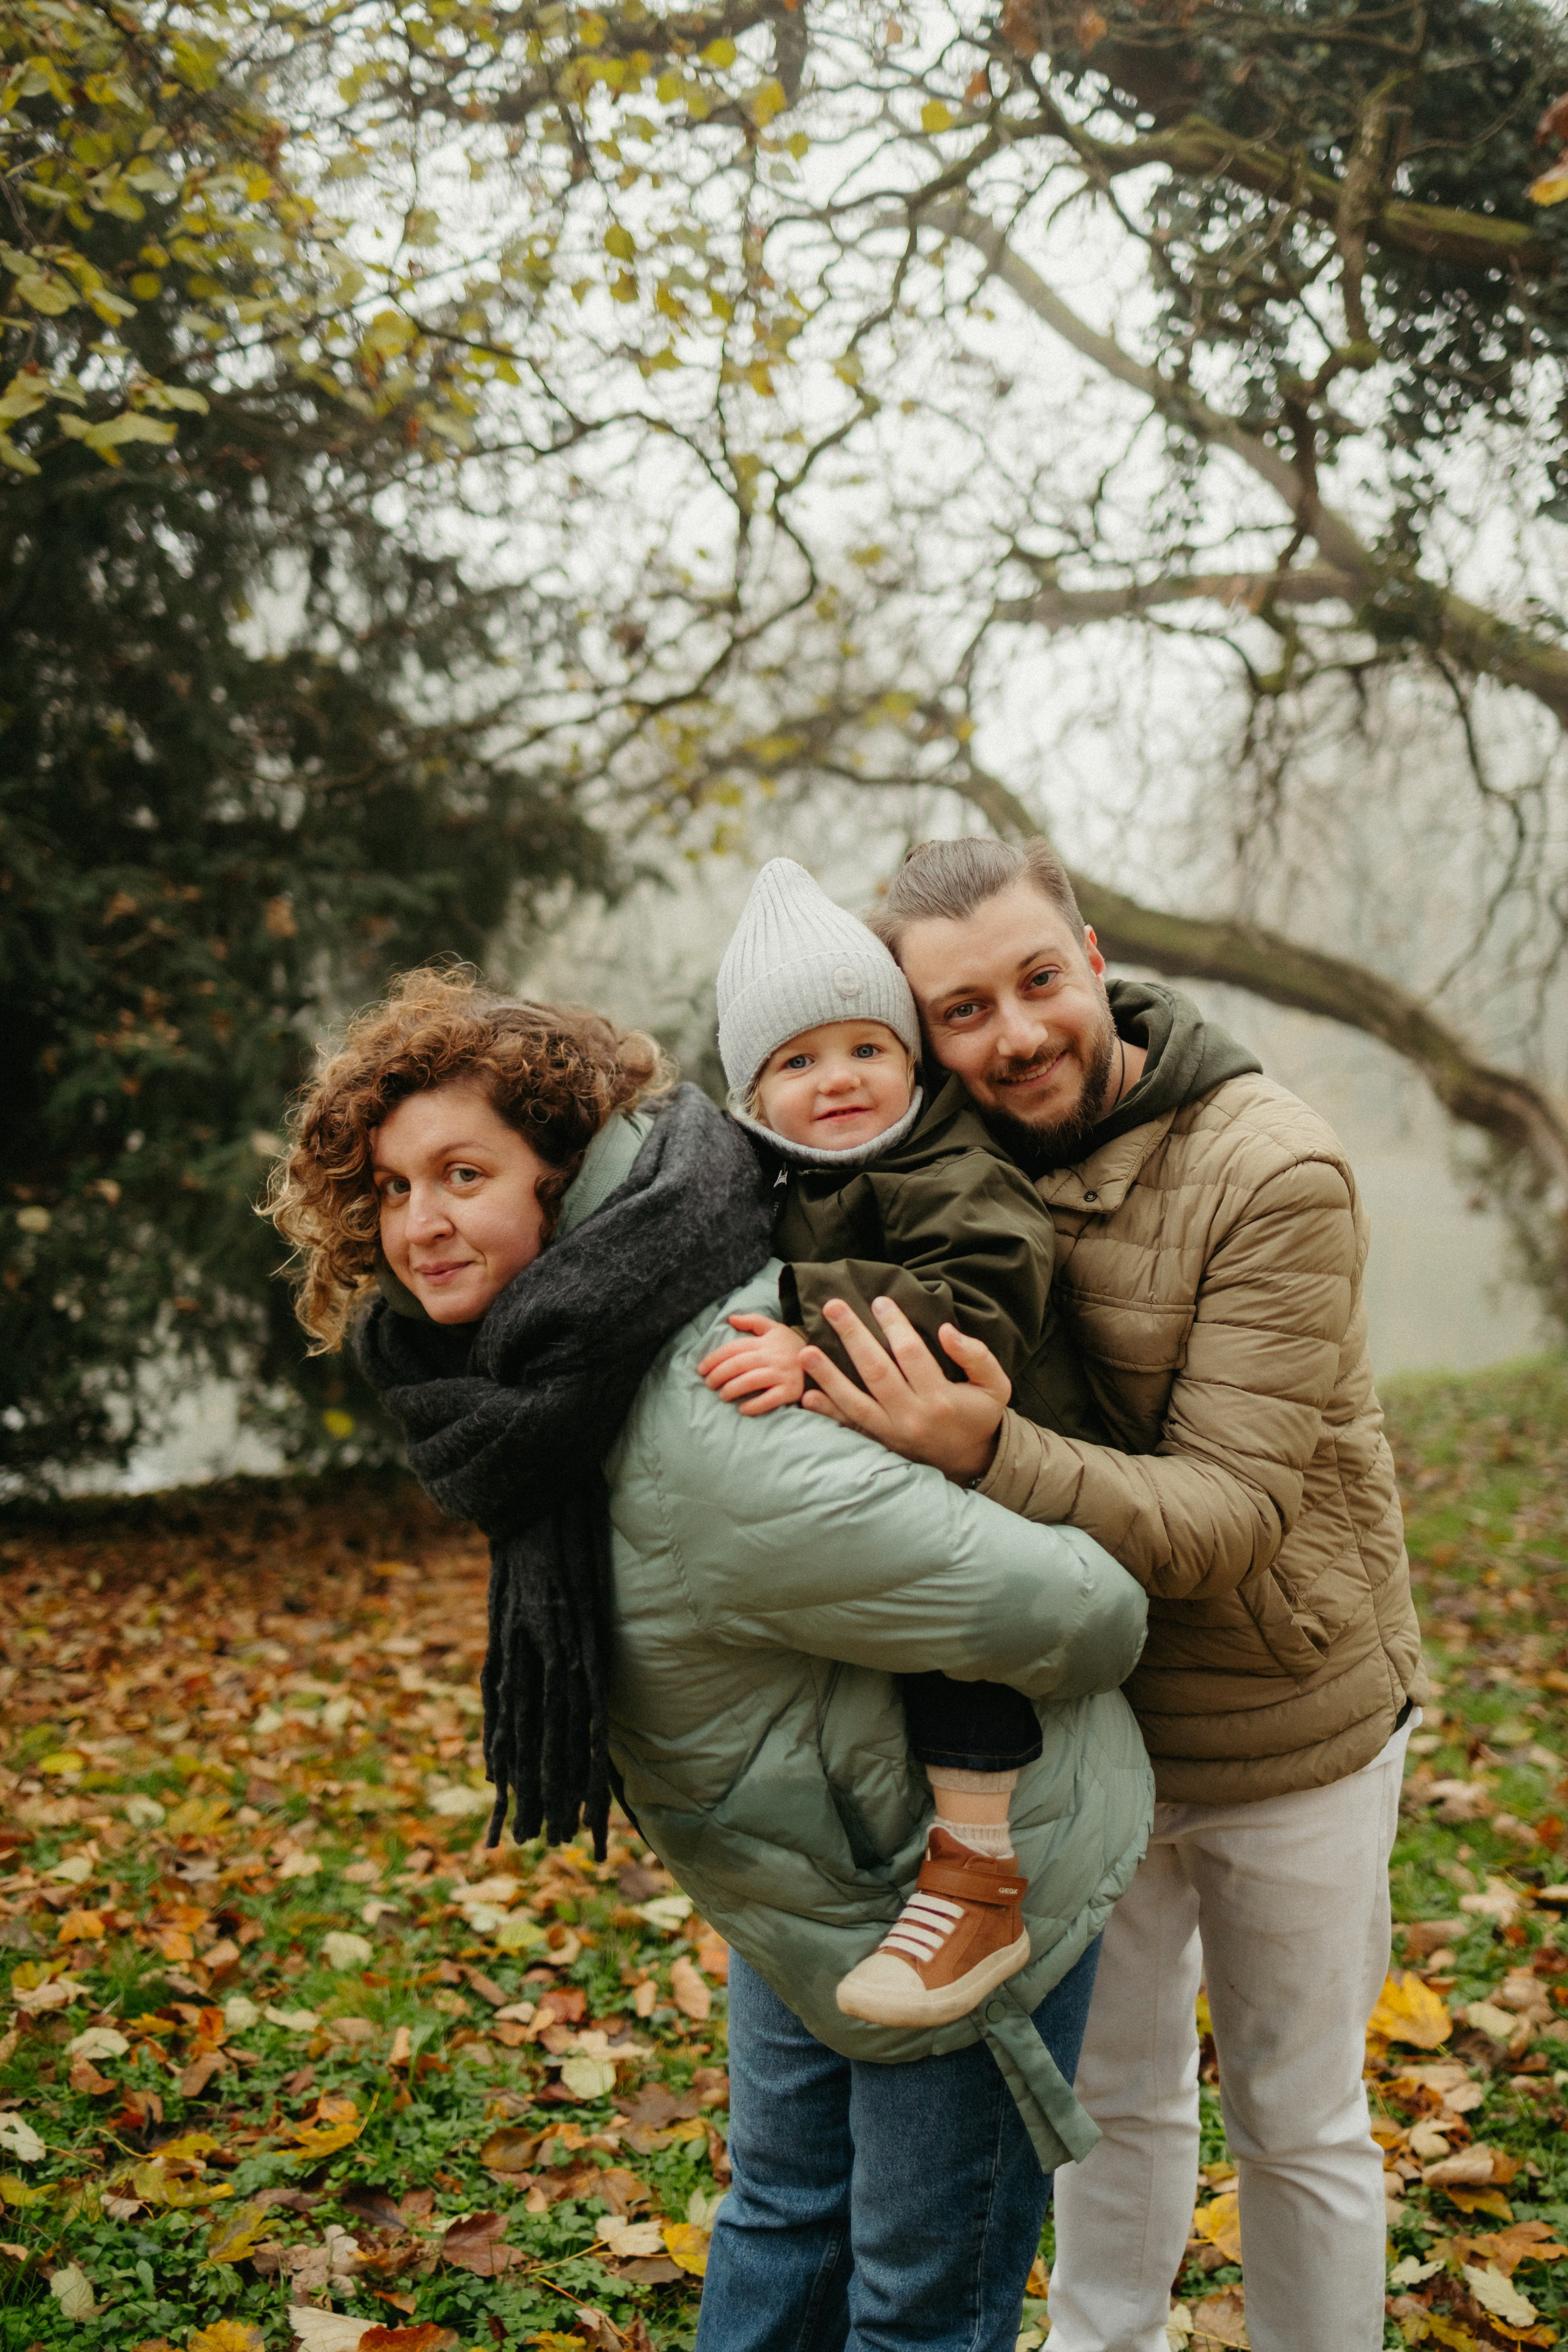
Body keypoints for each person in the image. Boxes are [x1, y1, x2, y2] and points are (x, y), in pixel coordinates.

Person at [265, 963, 1155, 2352]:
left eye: (460, 1174)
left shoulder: (700, 1420)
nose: (419, 1224)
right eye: (389, 1189)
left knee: (911, 2300)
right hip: (804, 1870)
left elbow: (1086, 1611)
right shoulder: (549, 1377)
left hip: (954, 1885)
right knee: (784, 2215)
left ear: (561, 1181)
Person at [796, 836, 1425, 2352]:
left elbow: (1221, 1521)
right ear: (918, 1029)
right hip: (1090, 1732)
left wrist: (985, 1449)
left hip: (1293, 1720)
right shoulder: (917, 1160)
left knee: (1297, 2118)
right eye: (961, 1010)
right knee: (1114, 2110)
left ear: (1088, 954)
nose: (1012, 1034)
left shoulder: (1271, 1166)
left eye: (1035, 980)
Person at [698, 855, 1104, 2029]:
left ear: (912, 1060)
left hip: (1003, 1467)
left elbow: (981, 1294)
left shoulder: (943, 1159)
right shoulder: (779, 1179)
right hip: (874, 1472)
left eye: (868, 1048)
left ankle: (977, 1875)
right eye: (798, 1061)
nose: (840, 1081)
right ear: (752, 1093)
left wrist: (806, 1319)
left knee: (946, 1607)